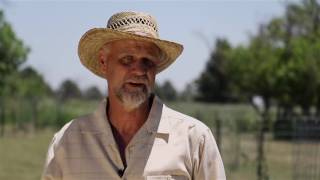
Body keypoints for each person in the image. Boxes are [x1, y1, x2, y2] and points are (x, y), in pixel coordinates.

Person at [42, 11, 226, 180]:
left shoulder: (194, 139)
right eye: (127, 59)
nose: (139, 70)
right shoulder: (67, 142)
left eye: (147, 61)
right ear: (104, 62)